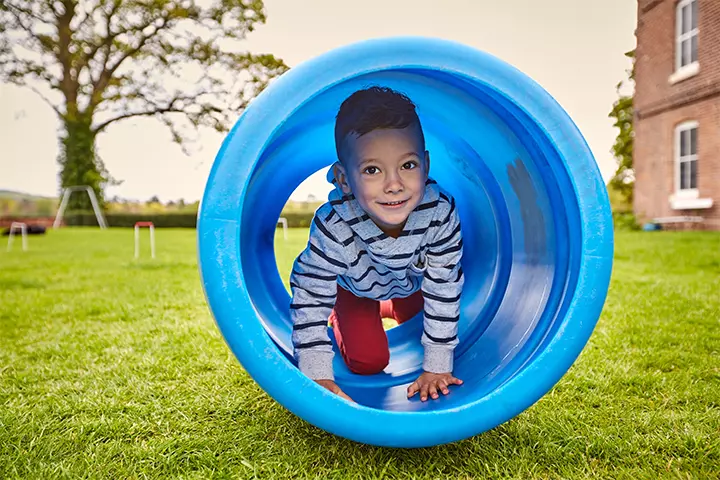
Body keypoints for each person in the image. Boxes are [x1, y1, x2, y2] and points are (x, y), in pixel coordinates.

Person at [289, 86, 465, 403]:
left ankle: (388, 304)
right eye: (372, 170)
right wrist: (317, 374)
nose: (394, 185)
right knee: (368, 362)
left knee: (421, 328)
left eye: (407, 165)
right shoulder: (334, 225)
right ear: (344, 179)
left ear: (426, 164)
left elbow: (444, 286)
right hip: (353, 289)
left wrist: (437, 366)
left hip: (410, 284)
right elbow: (311, 293)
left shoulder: (439, 212)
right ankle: (343, 316)